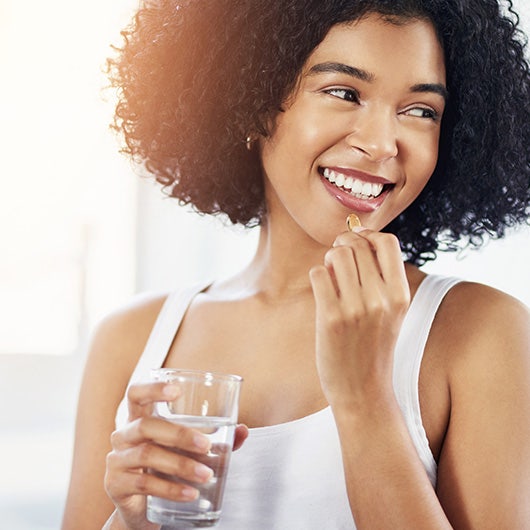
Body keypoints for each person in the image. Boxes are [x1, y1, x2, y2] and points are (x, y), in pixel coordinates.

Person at [62, 0, 530, 528]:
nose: (380, 145)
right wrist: (133, 519)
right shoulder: (132, 339)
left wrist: (364, 400)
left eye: (421, 110)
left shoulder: (480, 333)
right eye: (343, 92)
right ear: (251, 101)